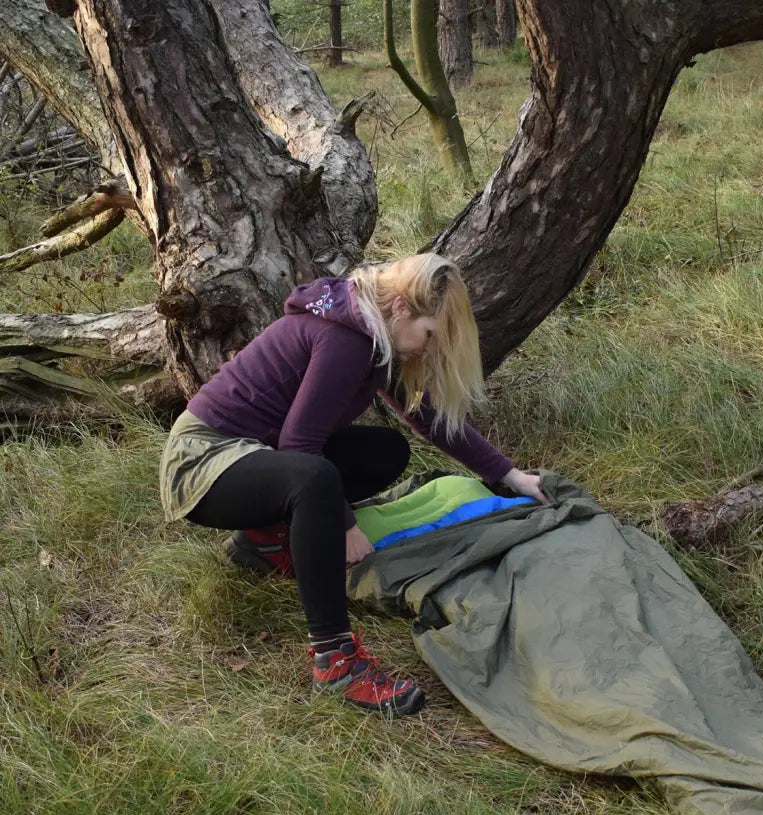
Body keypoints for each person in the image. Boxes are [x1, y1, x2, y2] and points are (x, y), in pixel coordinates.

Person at [159, 253, 545, 716]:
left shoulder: (373, 331)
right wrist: (343, 524)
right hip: (202, 464)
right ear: (401, 307)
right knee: (317, 478)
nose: (426, 347)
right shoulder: (347, 339)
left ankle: (262, 543)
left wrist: (510, 475)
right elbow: (300, 445)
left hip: (254, 453)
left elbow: (432, 422)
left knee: (386, 451)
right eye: (428, 334)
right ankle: (336, 660)